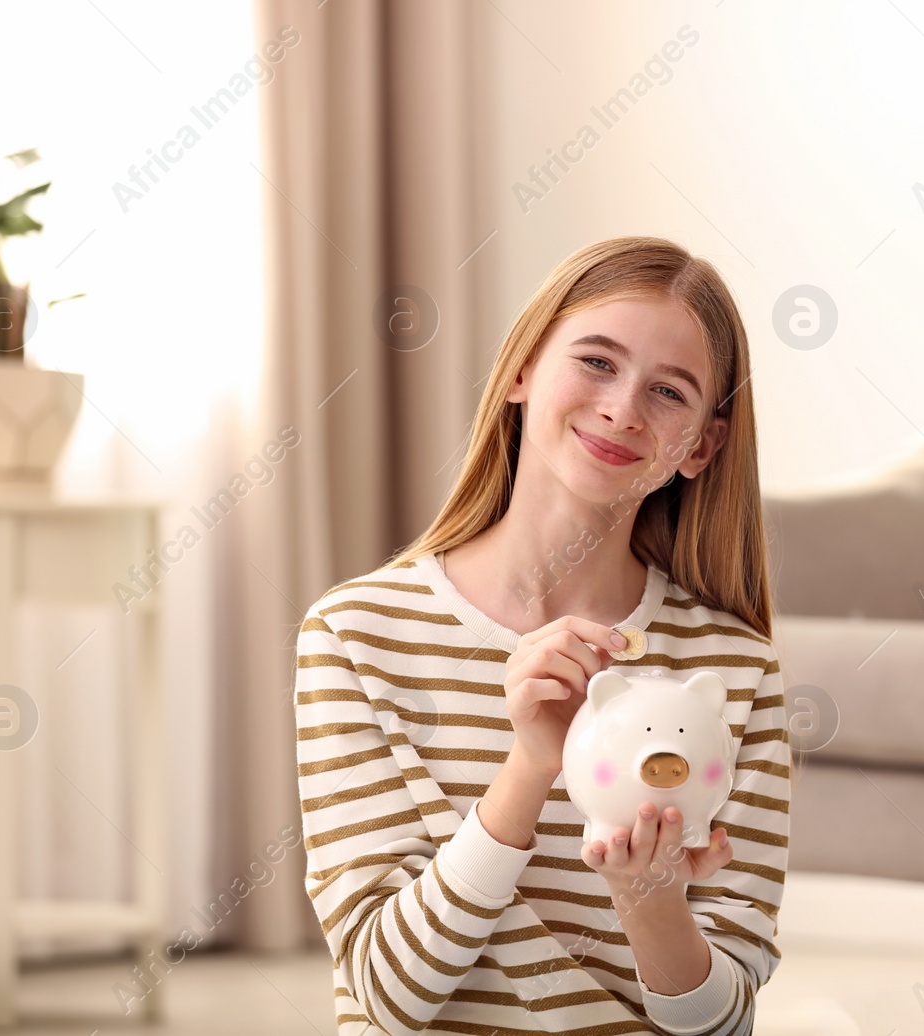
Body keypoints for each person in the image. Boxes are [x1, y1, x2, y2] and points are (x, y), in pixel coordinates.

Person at [292, 235, 791, 1035]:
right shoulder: (358, 637)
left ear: (702, 446)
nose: (622, 408)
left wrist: (650, 902)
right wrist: (530, 766)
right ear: (522, 367)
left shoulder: (734, 669)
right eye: (597, 362)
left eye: (669, 392)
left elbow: (722, 1025)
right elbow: (389, 996)